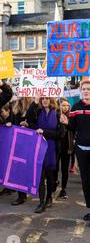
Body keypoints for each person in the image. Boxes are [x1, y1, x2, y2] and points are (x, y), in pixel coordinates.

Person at [28, 97, 65, 213]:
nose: (44, 100)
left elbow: (61, 133)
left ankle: (49, 197)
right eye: (42, 98)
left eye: (47, 98)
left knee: (50, 176)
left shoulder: (58, 113)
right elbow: (29, 119)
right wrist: (34, 102)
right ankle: (41, 202)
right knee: (40, 175)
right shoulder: (38, 111)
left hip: (52, 148)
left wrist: (44, 132)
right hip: (38, 146)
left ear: (51, 100)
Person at [60, 80, 90, 221]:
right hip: (81, 150)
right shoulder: (76, 107)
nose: (86, 91)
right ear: (80, 91)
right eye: (84, 89)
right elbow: (72, 127)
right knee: (85, 181)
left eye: (88, 89)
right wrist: (66, 123)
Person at [9, 97, 34, 206]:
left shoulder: (33, 106)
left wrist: (28, 125)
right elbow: (11, 119)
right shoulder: (15, 105)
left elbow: (33, 121)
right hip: (17, 142)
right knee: (18, 168)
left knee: (28, 168)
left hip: (29, 142)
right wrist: (8, 122)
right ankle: (21, 195)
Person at [55, 98, 74, 199]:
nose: (65, 107)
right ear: (59, 106)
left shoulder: (71, 117)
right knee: (55, 167)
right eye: (63, 105)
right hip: (57, 146)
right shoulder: (56, 116)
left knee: (64, 169)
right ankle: (55, 182)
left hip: (67, 147)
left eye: (67, 105)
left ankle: (63, 189)